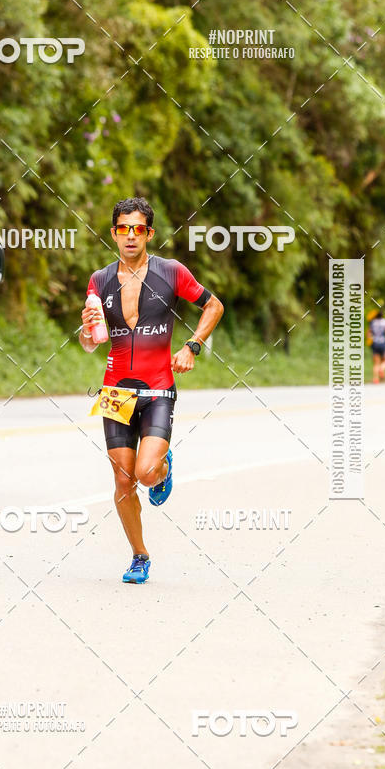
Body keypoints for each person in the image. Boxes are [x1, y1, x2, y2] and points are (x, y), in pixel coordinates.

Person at [79, 196, 224, 584]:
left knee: (144, 474)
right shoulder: (99, 280)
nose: (130, 235)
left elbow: (214, 306)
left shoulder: (171, 272)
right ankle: (139, 556)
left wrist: (192, 346)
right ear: (113, 233)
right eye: (123, 228)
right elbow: (91, 343)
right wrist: (85, 329)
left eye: (138, 229)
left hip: (159, 384)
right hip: (114, 391)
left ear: (149, 234)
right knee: (123, 482)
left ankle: (162, 468)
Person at [368, 308, 385, 383]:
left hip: (374, 343)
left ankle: (375, 379)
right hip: (382, 343)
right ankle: (381, 369)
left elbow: (369, 334)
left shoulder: (372, 322)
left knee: (376, 363)